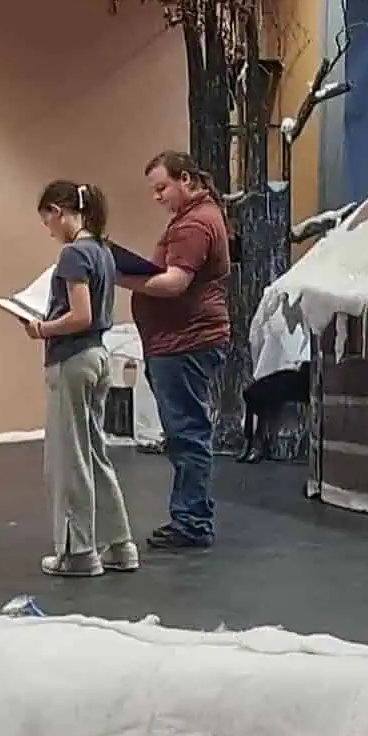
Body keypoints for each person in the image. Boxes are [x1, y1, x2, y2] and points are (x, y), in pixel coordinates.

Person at [25, 181, 137, 577]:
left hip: (72, 359)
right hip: (99, 357)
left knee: (68, 458)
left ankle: (77, 553)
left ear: (59, 210)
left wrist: (41, 328)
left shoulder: (73, 254)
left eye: (47, 221)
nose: (49, 230)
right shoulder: (103, 251)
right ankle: (119, 545)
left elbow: (80, 316)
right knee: (94, 453)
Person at [121, 151, 231, 550]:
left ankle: (192, 523)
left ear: (186, 179)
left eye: (161, 187)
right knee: (185, 432)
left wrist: (121, 276)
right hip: (178, 342)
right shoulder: (196, 219)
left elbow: (174, 284)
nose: (157, 197)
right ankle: (190, 516)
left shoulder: (196, 224)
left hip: (186, 342)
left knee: (187, 433)